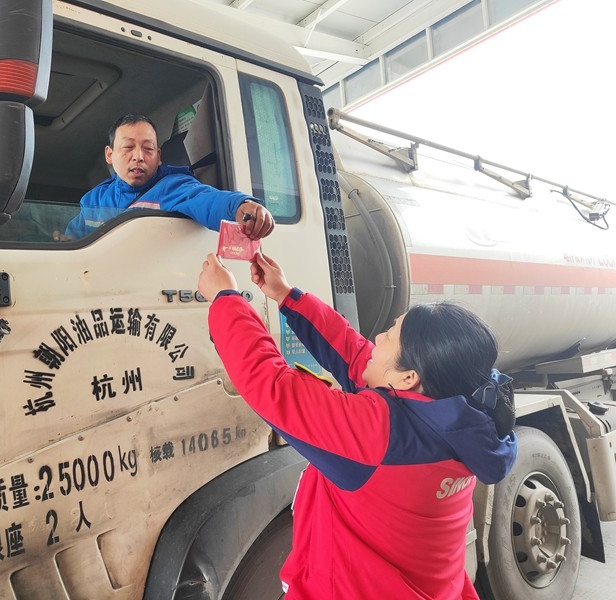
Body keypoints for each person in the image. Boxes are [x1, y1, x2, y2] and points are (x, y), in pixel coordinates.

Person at [197, 252, 518, 600]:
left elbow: (272, 385)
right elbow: (355, 354)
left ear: (409, 378)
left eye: (389, 336)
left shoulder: (381, 436)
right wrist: (287, 295)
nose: (376, 338)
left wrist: (225, 300)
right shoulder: (462, 416)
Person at [62, 114, 274, 239]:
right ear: (110, 155)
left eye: (148, 149)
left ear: (159, 157)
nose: (138, 156)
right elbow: (74, 238)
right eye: (128, 147)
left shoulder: (174, 187)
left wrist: (241, 206)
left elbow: (206, 199)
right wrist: (63, 240)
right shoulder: (94, 199)